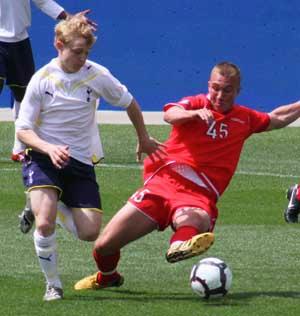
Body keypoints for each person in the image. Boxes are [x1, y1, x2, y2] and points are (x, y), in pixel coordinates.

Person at [74, 61, 300, 291]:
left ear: (237, 91)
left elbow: (276, 118)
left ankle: (179, 245)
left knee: (195, 218)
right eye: (216, 88)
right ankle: (107, 277)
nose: (220, 95)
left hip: (198, 195)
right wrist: (193, 114)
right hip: (163, 184)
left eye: (227, 90)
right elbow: (171, 114)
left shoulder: (244, 118)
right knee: (103, 246)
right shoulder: (196, 103)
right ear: (208, 85)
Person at [15, 15, 163, 301]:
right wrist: (49, 148)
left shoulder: (96, 75)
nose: (82, 58)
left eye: (86, 53)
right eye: (77, 51)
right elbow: (23, 130)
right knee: (44, 224)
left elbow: (129, 102)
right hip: (43, 157)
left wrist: (143, 138)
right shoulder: (42, 79)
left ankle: (45, 205)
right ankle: (53, 284)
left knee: (90, 233)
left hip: (80, 162)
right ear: (59, 44)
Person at [0, 0, 95, 162]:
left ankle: (19, 149)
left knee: (23, 95)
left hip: (21, 43)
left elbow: (43, 2)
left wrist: (70, 19)